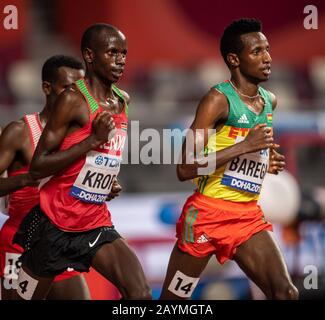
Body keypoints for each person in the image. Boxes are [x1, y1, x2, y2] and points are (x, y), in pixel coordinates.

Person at [160, 18, 299, 300]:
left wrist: (267, 160)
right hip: (206, 218)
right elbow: (185, 167)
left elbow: (254, 146)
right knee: (173, 302)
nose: (268, 58)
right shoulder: (217, 100)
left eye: (267, 49)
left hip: (247, 217)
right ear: (234, 59)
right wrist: (245, 146)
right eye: (257, 51)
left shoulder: (269, 101)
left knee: (285, 293)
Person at [13, 24, 151, 300]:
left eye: (124, 53)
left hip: (94, 222)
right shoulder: (72, 100)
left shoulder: (123, 100)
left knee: (140, 293)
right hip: (54, 225)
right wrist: (90, 141)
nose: (121, 60)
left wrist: (106, 181)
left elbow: (102, 156)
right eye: (112, 53)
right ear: (90, 55)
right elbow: (39, 166)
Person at [0, 55, 91, 300]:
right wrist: (27, 179)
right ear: (47, 88)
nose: (76, 96)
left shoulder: (82, 134)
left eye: (81, 89)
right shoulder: (19, 132)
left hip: (60, 240)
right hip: (20, 241)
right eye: (68, 88)